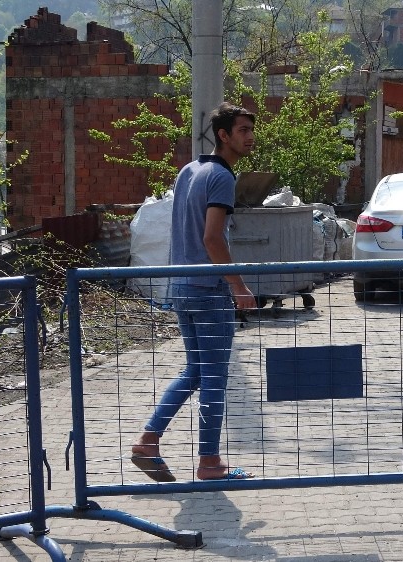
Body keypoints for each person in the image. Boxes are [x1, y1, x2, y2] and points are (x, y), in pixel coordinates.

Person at [130, 102, 258, 482]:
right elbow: (211, 237)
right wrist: (239, 286)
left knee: (196, 371)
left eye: (251, 130)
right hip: (208, 288)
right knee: (214, 377)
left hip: (182, 284)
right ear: (224, 135)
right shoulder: (221, 177)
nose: (250, 137)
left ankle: (148, 441)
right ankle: (209, 464)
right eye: (243, 130)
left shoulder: (188, 170)